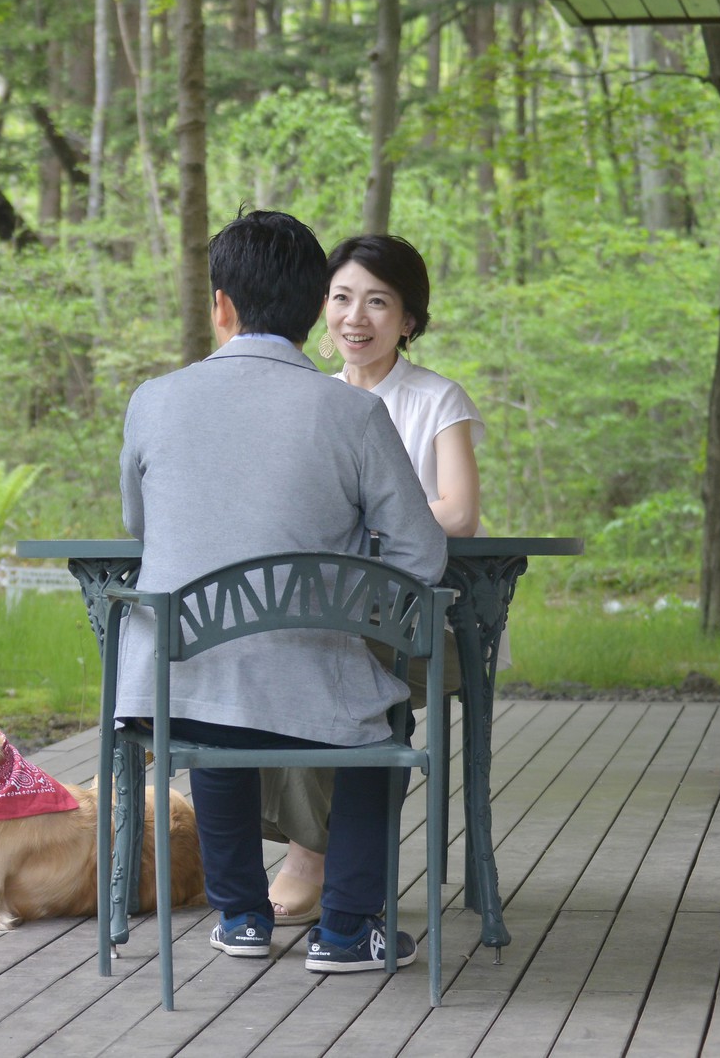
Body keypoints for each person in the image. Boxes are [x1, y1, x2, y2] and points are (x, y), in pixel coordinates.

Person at [116, 210, 447, 972]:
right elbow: (421, 556)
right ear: (313, 313)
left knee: (218, 696)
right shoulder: (354, 412)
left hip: (172, 689)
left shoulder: (152, 400)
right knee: (383, 727)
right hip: (311, 697)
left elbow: (141, 525)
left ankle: (240, 917)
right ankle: (348, 931)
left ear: (221, 305)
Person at [263, 233, 488, 927]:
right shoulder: (305, 398)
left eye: (378, 302)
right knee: (266, 662)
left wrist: (368, 526)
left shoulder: (434, 399)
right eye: (341, 298)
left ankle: (310, 857)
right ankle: (312, 855)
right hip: (324, 615)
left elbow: (459, 510)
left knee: (335, 674)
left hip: (417, 625)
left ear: (409, 319)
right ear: (320, 307)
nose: (355, 317)